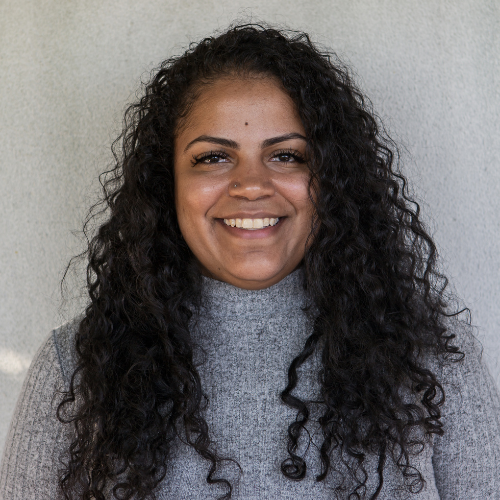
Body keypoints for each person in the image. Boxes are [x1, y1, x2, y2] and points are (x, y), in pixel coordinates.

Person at [1, 23, 499, 500]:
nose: (252, 184)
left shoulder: (430, 356)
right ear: (165, 185)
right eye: (213, 158)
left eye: (287, 155)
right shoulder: (79, 369)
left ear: (330, 180)